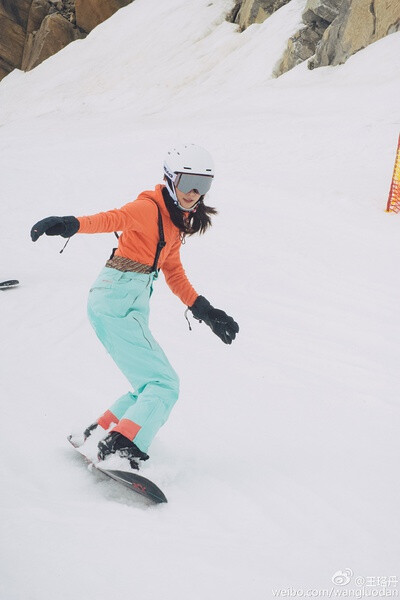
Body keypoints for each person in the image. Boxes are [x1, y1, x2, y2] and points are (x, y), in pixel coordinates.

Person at [30, 143, 239, 470]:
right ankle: (120, 446)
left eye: (203, 185)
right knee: (164, 384)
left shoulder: (173, 223)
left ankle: (98, 433)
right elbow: (112, 218)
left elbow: (173, 270)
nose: (194, 192)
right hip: (117, 298)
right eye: (188, 183)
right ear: (171, 179)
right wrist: (68, 223)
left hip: (124, 299)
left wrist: (206, 311)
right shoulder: (149, 208)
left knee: (148, 385)